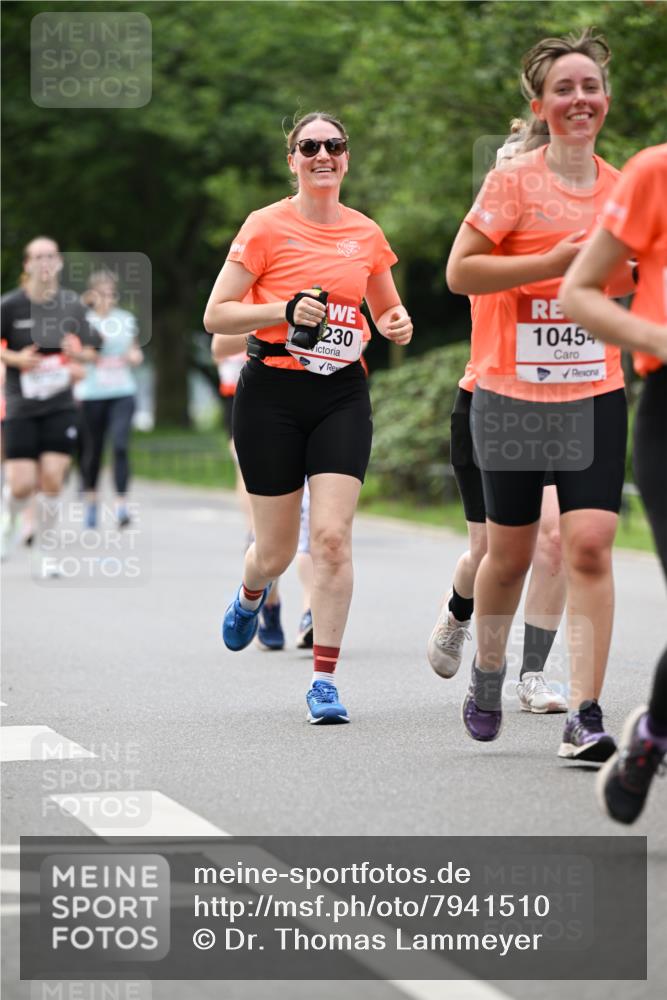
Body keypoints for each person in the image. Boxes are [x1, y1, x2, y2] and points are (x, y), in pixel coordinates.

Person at [445, 28, 635, 758]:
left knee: (587, 547)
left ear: (605, 101)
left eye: (589, 87)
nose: (579, 98)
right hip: (509, 395)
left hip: (593, 391)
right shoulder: (512, 182)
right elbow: (461, 273)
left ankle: (584, 714)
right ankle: (488, 673)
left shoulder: (624, 192)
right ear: (540, 104)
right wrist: (549, 263)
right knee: (510, 556)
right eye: (564, 88)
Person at [204, 111, 412, 723]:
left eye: (335, 146)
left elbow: (388, 312)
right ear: (291, 159)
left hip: (341, 395)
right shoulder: (265, 226)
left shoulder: (366, 234)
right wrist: (284, 310)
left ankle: (324, 680)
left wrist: (396, 325)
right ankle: (250, 594)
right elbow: (216, 315)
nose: (324, 154)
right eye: (309, 146)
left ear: (347, 157)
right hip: (269, 392)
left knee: (330, 539)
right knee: (272, 552)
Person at [429, 121, 568, 715]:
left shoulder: (570, 231)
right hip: (490, 403)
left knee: (555, 541)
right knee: (490, 554)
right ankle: (460, 610)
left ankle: (532, 675)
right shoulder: (487, 244)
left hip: (564, 403)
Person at [561, 143, 667, 822]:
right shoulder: (655, 171)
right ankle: (651, 742)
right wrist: (656, 335)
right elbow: (579, 291)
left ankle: (652, 732)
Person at [0, 236, 101, 573]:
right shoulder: (10, 305)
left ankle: (43, 549)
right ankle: (10, 518)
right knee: (22, 484)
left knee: (53, 480)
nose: (45, 262)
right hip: (21, 404)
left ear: (58, 263)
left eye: (51, 256)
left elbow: (93, 350)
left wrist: (77, 354)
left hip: (60, 405)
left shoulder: (71, 305)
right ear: (27, 265)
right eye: (38, 257)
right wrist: (14, 357)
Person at [76, 270, 143, 529]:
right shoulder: (84, 320)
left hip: (122, 391)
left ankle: (121, 506)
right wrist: (90, 354)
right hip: (92, 393)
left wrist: (135, 356)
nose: (108, 298)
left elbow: (134, 349)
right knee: (92, 451)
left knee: (120, 445)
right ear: (92, 295)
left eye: (111, 293)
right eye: (102, 293)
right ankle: (91, 501)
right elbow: (74, 353)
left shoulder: (125, 319)